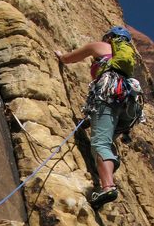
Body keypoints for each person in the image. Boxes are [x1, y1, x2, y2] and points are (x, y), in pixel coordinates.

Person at [55, 26, 141, 209]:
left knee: (100, 143)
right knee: (106, 138)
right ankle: (106, 163)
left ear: (109, 37)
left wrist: (61, 56)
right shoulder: (126, 59)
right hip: (129, 106)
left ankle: (108, 186)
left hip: (110, 95)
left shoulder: (101, 47)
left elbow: (70, 58)